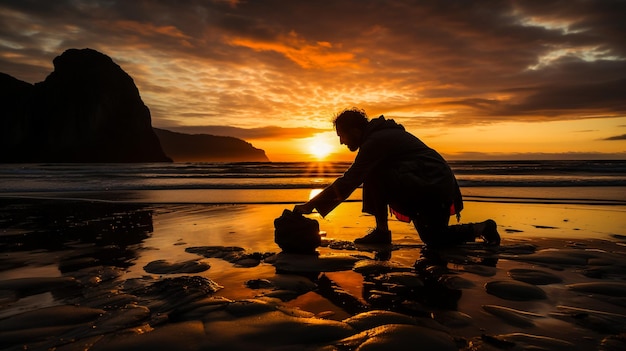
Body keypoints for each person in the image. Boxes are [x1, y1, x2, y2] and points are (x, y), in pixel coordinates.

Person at [293, 107, 500, 247]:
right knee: (433, 239)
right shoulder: (378, 136)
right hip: (430, 182)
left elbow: (351, 179)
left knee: (372, 172)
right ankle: (482, 228)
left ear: (355, 130)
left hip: (432, 183)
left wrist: (311, 205)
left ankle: (383, 232)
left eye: (342, 136)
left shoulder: (375, 142)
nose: (341, 142)